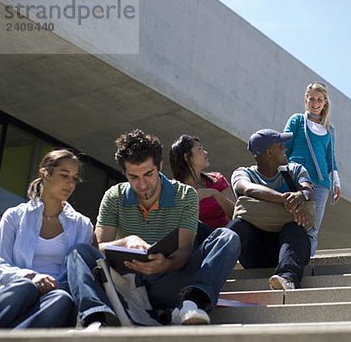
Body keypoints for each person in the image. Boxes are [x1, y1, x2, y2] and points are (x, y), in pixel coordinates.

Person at [65, 129, 240, 329]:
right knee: (77, 251)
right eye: (134, 177)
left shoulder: (185, 195)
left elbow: (184, 251)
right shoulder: (114, 196)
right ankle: (96, 320)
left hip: (170, 281)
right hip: (126, 284)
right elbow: (98, 249)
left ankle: (193, 303)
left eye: (148, 174)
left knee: (228, 237)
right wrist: (125, 241)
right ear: (125, 173)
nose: (142, 184)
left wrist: (165, 264)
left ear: (160, 166)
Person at [0, 150, 93, 329]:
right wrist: (32, 277)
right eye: (64, 175)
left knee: (62, 298)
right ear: (44, 173)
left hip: (53, 300)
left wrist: (49, 285)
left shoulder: (82, 225)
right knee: (26, 286)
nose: (70, 183)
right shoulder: (14, 216)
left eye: (75, 178)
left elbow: (76, 277)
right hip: (17, 295)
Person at [227, 129, 313, 290]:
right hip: (255, 253)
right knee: (236, 226)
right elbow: (247, 189)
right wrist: (285, 200)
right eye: (281, 145)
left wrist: (300, 196)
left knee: (294, 229)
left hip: (290, 249)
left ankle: (288, 278)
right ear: (269, 152)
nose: (285, 149)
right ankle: (212, 272)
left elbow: (308, 190)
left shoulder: (295, 170)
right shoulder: (243, 173)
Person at [284, 82, 340, 256]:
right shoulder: (296, 120)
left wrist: (336, 183)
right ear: (306, 100)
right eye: (312, 99)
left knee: (312, 228)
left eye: (319, 100)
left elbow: (331, 158)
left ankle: (307, 263)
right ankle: (288, 261)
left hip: (321, 183)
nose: (315, 103)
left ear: (325, 103)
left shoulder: (330, 129)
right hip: (297, 179)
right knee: (293, 222)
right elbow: (284, 147)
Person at [169, 134, 236, 229]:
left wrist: (215, 194)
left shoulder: (217, 180)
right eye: (200, 149)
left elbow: (237, 215)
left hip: (225, 237)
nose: (206, 152)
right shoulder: (174, 191)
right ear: (187, 157)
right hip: (197, 238)